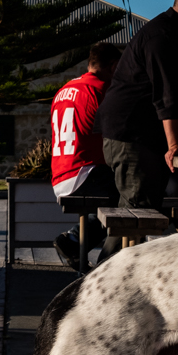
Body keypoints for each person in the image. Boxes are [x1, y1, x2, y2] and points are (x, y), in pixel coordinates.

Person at [97, 0, 178, 214]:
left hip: (136, 134)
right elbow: (166, 96)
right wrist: (174, 145)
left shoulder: (173, 34)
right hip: (134, 135)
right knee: (139, 213)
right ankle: (114, 251)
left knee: (137, 209)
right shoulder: (163, 37)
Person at [49, 41, 123, 267]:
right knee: (133, 197)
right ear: (113, 66)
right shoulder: (101, 90)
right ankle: (107, 265)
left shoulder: (63, 91)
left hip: (60, 175)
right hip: (85, 172)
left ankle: (73, 239)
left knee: (124, 197)